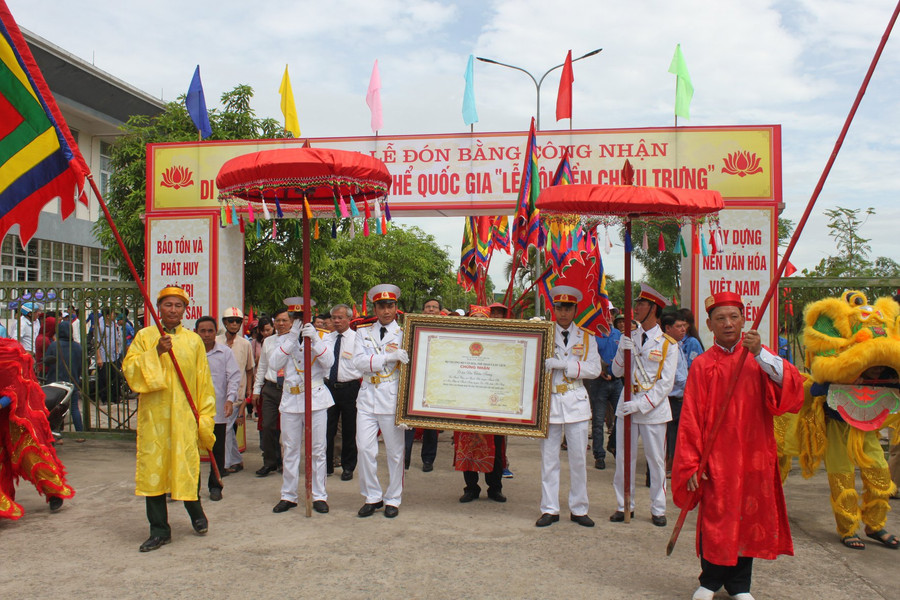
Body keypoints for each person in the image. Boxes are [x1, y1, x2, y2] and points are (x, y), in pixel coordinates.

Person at [673, 291, 803, 600]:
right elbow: (690, 417)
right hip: (716, 456)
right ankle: (710, 581)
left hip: (754, 453)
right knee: (716, 517)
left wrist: (760, 354)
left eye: (733, 317)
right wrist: (692, 462)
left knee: (748, 517)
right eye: (720, 319)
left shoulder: (760, 359)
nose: (728, 324)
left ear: (744, 320)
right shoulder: (703, 365)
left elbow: (792, 388)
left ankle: (739, 585)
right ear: (709, 324)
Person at [122, 286, 216, 552]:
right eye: (168, 305)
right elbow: (130, 370)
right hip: (155, 416)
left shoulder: (193, 340)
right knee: (154, 471)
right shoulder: (145, 336)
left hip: (185, 414)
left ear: (185, 310)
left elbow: (203, 382)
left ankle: (196, 513)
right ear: (159, 308)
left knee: (185, 465)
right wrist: (156, 353)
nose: (173, 310)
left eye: (178, 306)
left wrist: (204, 415)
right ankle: (159, 530)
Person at [610, 283, 677, 527]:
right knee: (623, 460)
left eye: (641, 304)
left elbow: (665, 384)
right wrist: (621, 349)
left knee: (656, 461)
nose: (636, 308)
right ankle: (624, 505)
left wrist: (641, 404)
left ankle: (658, 508)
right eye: (636, 303)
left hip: (652, 410)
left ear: (653, 309)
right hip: (626, 405)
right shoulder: (630, 337)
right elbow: (617, 370)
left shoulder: (668, 344)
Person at [537, 286, 602, 528]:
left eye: (568, 308)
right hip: (551, 402)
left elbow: (595, 369)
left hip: (576, 401)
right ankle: (550, 508)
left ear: (575, 309)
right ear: (553, 309)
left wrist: (565, 365)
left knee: (578, 459)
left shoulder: (587, 337)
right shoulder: (543, 333)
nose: (563, 313)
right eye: (559, 308)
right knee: (549, 459)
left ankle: (579, 508)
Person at [0, 337, 74, 519]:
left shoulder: (11, 351)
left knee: (31, 455)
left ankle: (54, 491)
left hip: (19, 417)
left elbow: (17, 388)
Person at [352, 284, 409, 518]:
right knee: (365, 448)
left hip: (391, 395)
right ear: (374, 308)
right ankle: (372, 496)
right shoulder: (362, 332)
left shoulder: (405, 333)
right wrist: (388, 357)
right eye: (381, 306)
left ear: (396, 307)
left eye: (390, 305)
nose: (386, 311)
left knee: (395, 452)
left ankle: (393, 498)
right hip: (367, 396)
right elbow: (358, 362)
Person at [269, 315, 334, 514]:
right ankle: (288, 495)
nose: (297, 321)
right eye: (293, 317)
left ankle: (319, 495)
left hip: (315, 398)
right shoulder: (281, 338)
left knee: (318, 449)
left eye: (301, 316)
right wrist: (291, 340)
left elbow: (329, 362)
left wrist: (314, 339)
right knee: (290, 449)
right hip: (291, 399)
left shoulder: (323, 336)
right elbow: (274, 364)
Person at [455, 305, 506, 504]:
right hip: (467, 402)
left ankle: (495, 488)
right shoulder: (461, 343)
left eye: (481, 317)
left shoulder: (499, 344)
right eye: (474, 317)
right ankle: (471, 488)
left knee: (495, 447)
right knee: (466, 446)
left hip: (492, 403)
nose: (478, 320)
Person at [195, 316, 240, 502]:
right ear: (196, 332)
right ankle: (190, 487)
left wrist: (230, 400)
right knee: (190, 450)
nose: (206, 335)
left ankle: (215, 485)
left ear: (216, 332)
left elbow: (234, 377)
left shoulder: (225, 352)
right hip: (193, 409)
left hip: (218, 409)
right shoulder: (190, 352)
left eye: (210, 331)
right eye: (202, 331)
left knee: (217, 449)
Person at [252, 307, 293, 476]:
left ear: (291, 322)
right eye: (278, 320)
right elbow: (262, 367)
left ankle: (287, 463)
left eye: (284, 320)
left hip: (290, 390)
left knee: (289, 430)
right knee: (267, 426)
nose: (281, 324)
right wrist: (256, 390)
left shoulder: (298, 341)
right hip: (270, 388)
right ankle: (270, 462)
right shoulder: (268, 341)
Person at [323, 304, 362, 481]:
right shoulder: (325, 339)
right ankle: (327, 464)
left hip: (350, 388)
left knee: (349, 429)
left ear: (349, 319)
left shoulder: (358, 338)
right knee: (326, 428)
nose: (337, 321)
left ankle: (348, 466)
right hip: (328, 387)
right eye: (334, 318)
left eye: (340, 318)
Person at [404, 298, 441, 472]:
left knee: (431, 425)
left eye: (434, 307)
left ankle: (428, 459)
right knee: (408, 421)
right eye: (428, 307)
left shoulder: (447, 329)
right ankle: (405, 458)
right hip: (414, 379)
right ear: (422, 310)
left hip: (436, 382)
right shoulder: (412, 328)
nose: (431, 309)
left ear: (440, 311)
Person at [217, 307, 255, 474]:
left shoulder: (245, 344)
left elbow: (249, 369)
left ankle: (223, 465)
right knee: (226, 429)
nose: (234, 324)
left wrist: (249, 392)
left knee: (225, 429)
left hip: (236, 394)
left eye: (238, 321)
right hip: (217, 392)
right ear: (225, 322)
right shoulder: (216, 341)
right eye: (231, 321)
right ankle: (236, 460)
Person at [585, 318, 622, 470]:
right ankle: (599, 455)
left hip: (617, 380)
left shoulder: (618, 334)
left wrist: (614, 374)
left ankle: (614, 445)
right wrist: (599, 371)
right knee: (598, 421)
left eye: (610, 313)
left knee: (621, 417)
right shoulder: (593, 335)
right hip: (598, 382)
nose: (608, 317)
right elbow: (589, 356)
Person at [660, 313, 690, 478]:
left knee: (677, 433)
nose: (683, 330)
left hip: (680, 397)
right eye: (679, 326)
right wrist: (690, 387)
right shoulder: (666, 346)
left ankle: (673, 463)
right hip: (672, 398)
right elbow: (677, 376)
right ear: (668, 328)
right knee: (671, 434)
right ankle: (669, 465)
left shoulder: (677, 345)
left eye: (684, 326)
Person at [43, 319, 85, 434]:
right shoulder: (78, 347)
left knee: (57, 410)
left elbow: (47, 362)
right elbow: (81, 365)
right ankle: (80, 433)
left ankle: (58, 434)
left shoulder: (53, 346)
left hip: (56, 385)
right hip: (72, 383)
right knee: (74, 409)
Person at [96, 307, 122, 405]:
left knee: (115, 377)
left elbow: (116, 339)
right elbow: (97, 342)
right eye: (112, 314)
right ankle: (106, 399)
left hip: (114, 356)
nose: (114, 316)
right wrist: (99, 358)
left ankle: (116, 398)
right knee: (104, 379)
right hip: (104, 356)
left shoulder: (113, 325)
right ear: (107, 316)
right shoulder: (100, 326)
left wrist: (118, 352)